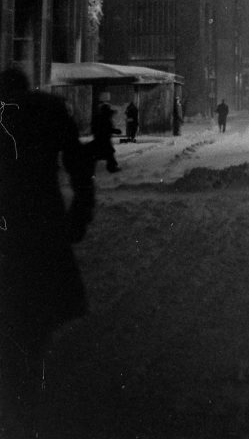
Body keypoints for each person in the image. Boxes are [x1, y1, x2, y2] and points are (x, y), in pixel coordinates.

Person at [0, 66, 95, 433]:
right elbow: (79, 166)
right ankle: (26, 391)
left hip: (10, 226)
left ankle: (17, 392)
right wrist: (80, 214)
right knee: (35, 310)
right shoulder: (49, 110)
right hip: (42, 223)